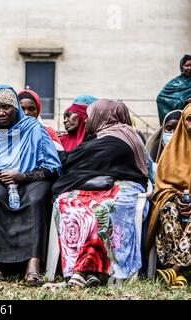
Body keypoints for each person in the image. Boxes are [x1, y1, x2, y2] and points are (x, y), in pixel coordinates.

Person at [52, 99, 148, 288]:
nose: (86, 121)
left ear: (103, 116)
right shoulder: (115, 134)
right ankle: (88, 271)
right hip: (101, 185)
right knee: (67, 203)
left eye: (89, 116)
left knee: (101, 209)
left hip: (126, 188)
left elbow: (73, 161)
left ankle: (83, 270)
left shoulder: (114, 140)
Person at [0, 85, 62, 286]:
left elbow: (51, 167)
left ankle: (33, 265)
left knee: (36, 199)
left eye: (7, 107)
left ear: (16, 109)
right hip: (1, 179)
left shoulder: (32, 127)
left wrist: (22, 176)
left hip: (31, 177)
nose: (1, 112)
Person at [145, 103, 191, 289]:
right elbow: (162, 185)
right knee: (167, 209)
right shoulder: (170, 151)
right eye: (189, 119)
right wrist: (174, 197)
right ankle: (179, 275)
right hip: (177, 198)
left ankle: (176, 268)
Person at [156, 54, 191, 125]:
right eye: (187, 65)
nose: (189, 68)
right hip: (180, 119)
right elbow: (161, 98)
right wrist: (183, 103)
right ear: (182, 67)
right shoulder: (175, 82)